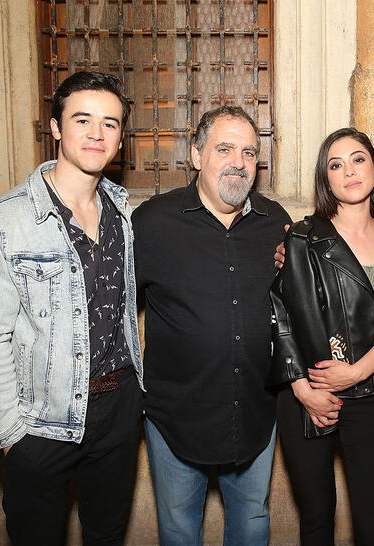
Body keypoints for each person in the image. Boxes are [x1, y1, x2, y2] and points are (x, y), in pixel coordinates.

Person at [0, 71, 143, 545]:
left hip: (119, 408)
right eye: (82, 120)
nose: (96, 134)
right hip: (41, 417)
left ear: (121, 138)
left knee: (106, 534)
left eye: (110, 124)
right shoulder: (3, 221)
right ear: (56, 128)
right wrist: (12, 428)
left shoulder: (121, 211)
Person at [132, 105, 290, 546]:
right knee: (180, 530)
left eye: (248, 153)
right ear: (197, 155)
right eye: (225, 149)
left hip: (255, 410)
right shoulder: (151, 224)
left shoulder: (276, 224)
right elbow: (117, 311)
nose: (239, 162)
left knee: (253, 524)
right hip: (175, 416)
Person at [270, 127, 374, 545]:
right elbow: (279, 316)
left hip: (371, 394)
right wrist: (302, 389)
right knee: (316, 521)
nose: (349, 171)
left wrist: (356, 373)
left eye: (358, 160)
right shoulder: (301, 237)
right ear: (326, 178)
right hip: (307, 395)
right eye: (336, 165)